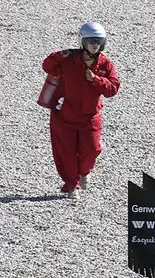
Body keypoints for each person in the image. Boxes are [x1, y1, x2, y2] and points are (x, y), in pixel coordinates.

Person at [41, 22, 120, 199]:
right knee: (66, 152)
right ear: (82, 41)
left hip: (90, 117)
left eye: (98, 41)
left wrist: (96, 80)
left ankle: (84, 172)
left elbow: (113, 89)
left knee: (92, 149)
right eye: (91, 40)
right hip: (64, 116)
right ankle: (71, 186)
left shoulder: (105, 64)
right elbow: (47, 66)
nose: (95, 44)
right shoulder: (67, 60)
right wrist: (60, 55)